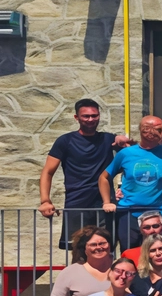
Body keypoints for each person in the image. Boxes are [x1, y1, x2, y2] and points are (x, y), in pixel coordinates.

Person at [39, 99, 132, 249]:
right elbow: (48, 172)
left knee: (106, 250)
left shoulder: (108, 139)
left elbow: (133, 160)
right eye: (86, 116)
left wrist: (127, 143)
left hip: (105, 204)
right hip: (76, 203)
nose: (91, 119)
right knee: (79, 251)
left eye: (94, 116)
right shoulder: (65, 141)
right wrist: (45, 201)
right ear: (77, 118)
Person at [98, 115, 162, 251]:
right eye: (160, 130)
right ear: (146, 131)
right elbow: (104, 177)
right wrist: (107, 201)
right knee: (130, 255)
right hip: (129, 214)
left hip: (159, 214)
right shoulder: (126, 154)